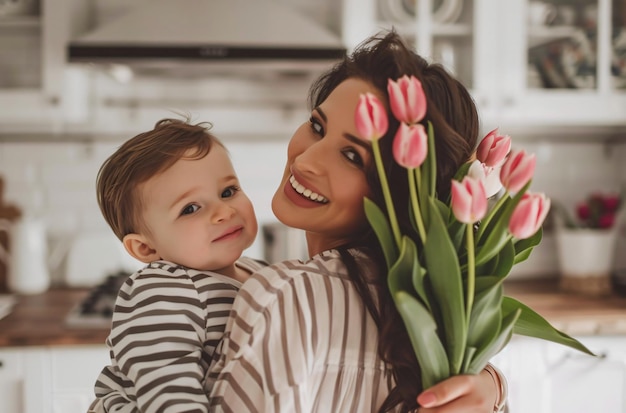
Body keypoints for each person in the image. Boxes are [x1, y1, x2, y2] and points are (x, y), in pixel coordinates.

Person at [206, 30, 508, 413]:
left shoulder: (284, 295)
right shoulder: (444, 322)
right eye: (317, 126)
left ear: (401, 189)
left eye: (352, 156)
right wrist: (495, 385)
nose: (306, 160)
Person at [89, 118, 266, 413]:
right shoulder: (161, 290)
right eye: (191, 208)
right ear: (146, 247)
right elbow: (168, 391)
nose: (224, 211)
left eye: (228, 191)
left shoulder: (260, 271)